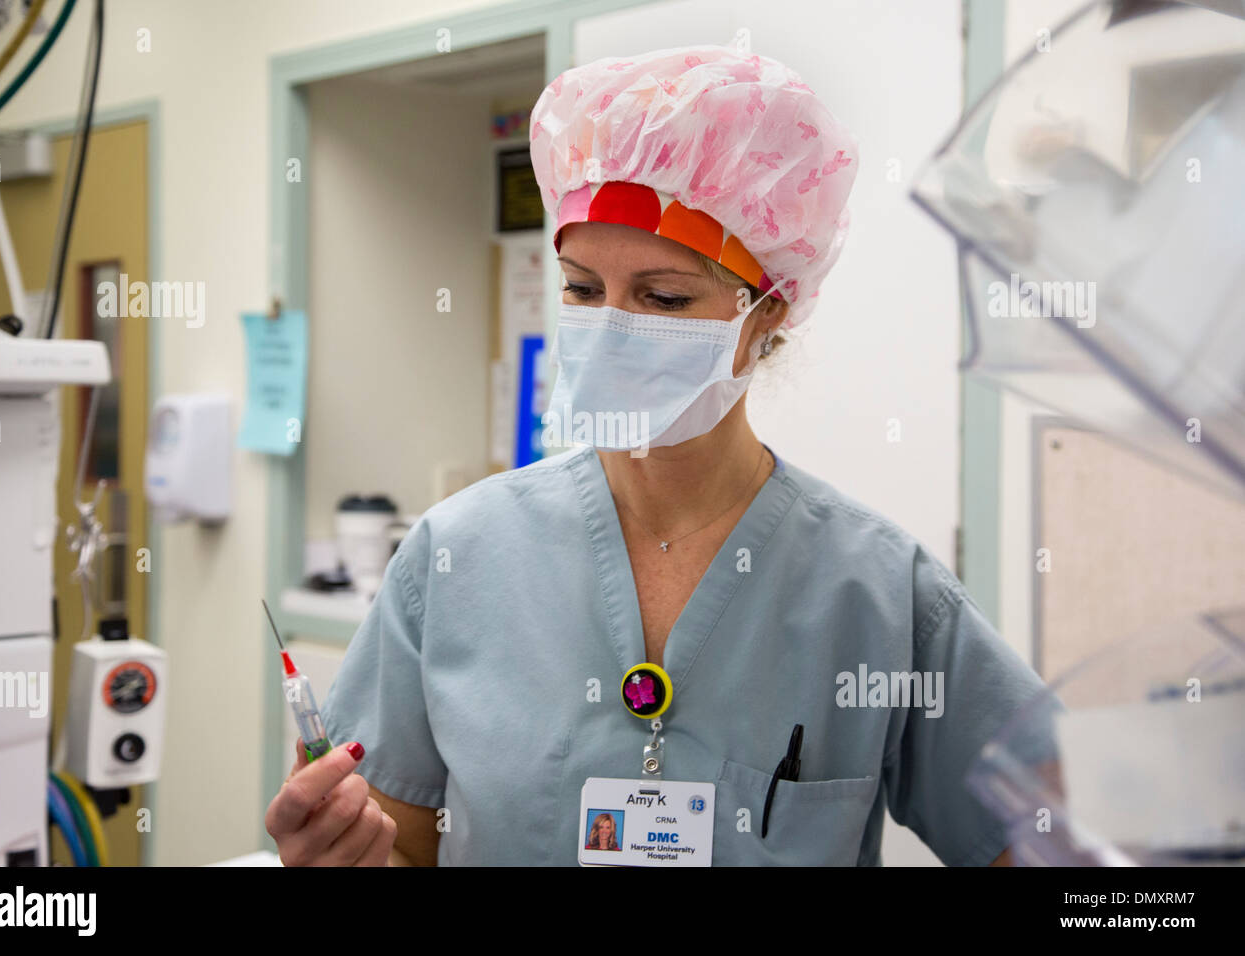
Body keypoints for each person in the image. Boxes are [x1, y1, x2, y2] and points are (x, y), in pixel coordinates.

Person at [265, 44, 1050, 867]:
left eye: (663, 297)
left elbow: (1047, 844)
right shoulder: (457, 557)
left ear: (767, 316)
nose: (610, 325)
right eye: (580, 288)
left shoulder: (879, 596)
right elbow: (403, 850)